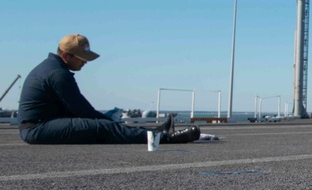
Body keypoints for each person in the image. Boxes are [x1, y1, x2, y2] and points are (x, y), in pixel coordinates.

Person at [18, 34, 201, 145]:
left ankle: (156, 131)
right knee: (102, 128)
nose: (85, 63)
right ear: (66, 56)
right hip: (37, 129)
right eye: (82, 58)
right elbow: (83, 111)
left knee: (103, 125)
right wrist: (110, 125)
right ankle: (164, 138)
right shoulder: (58, 74)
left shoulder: (52, 68)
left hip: (43, 124)